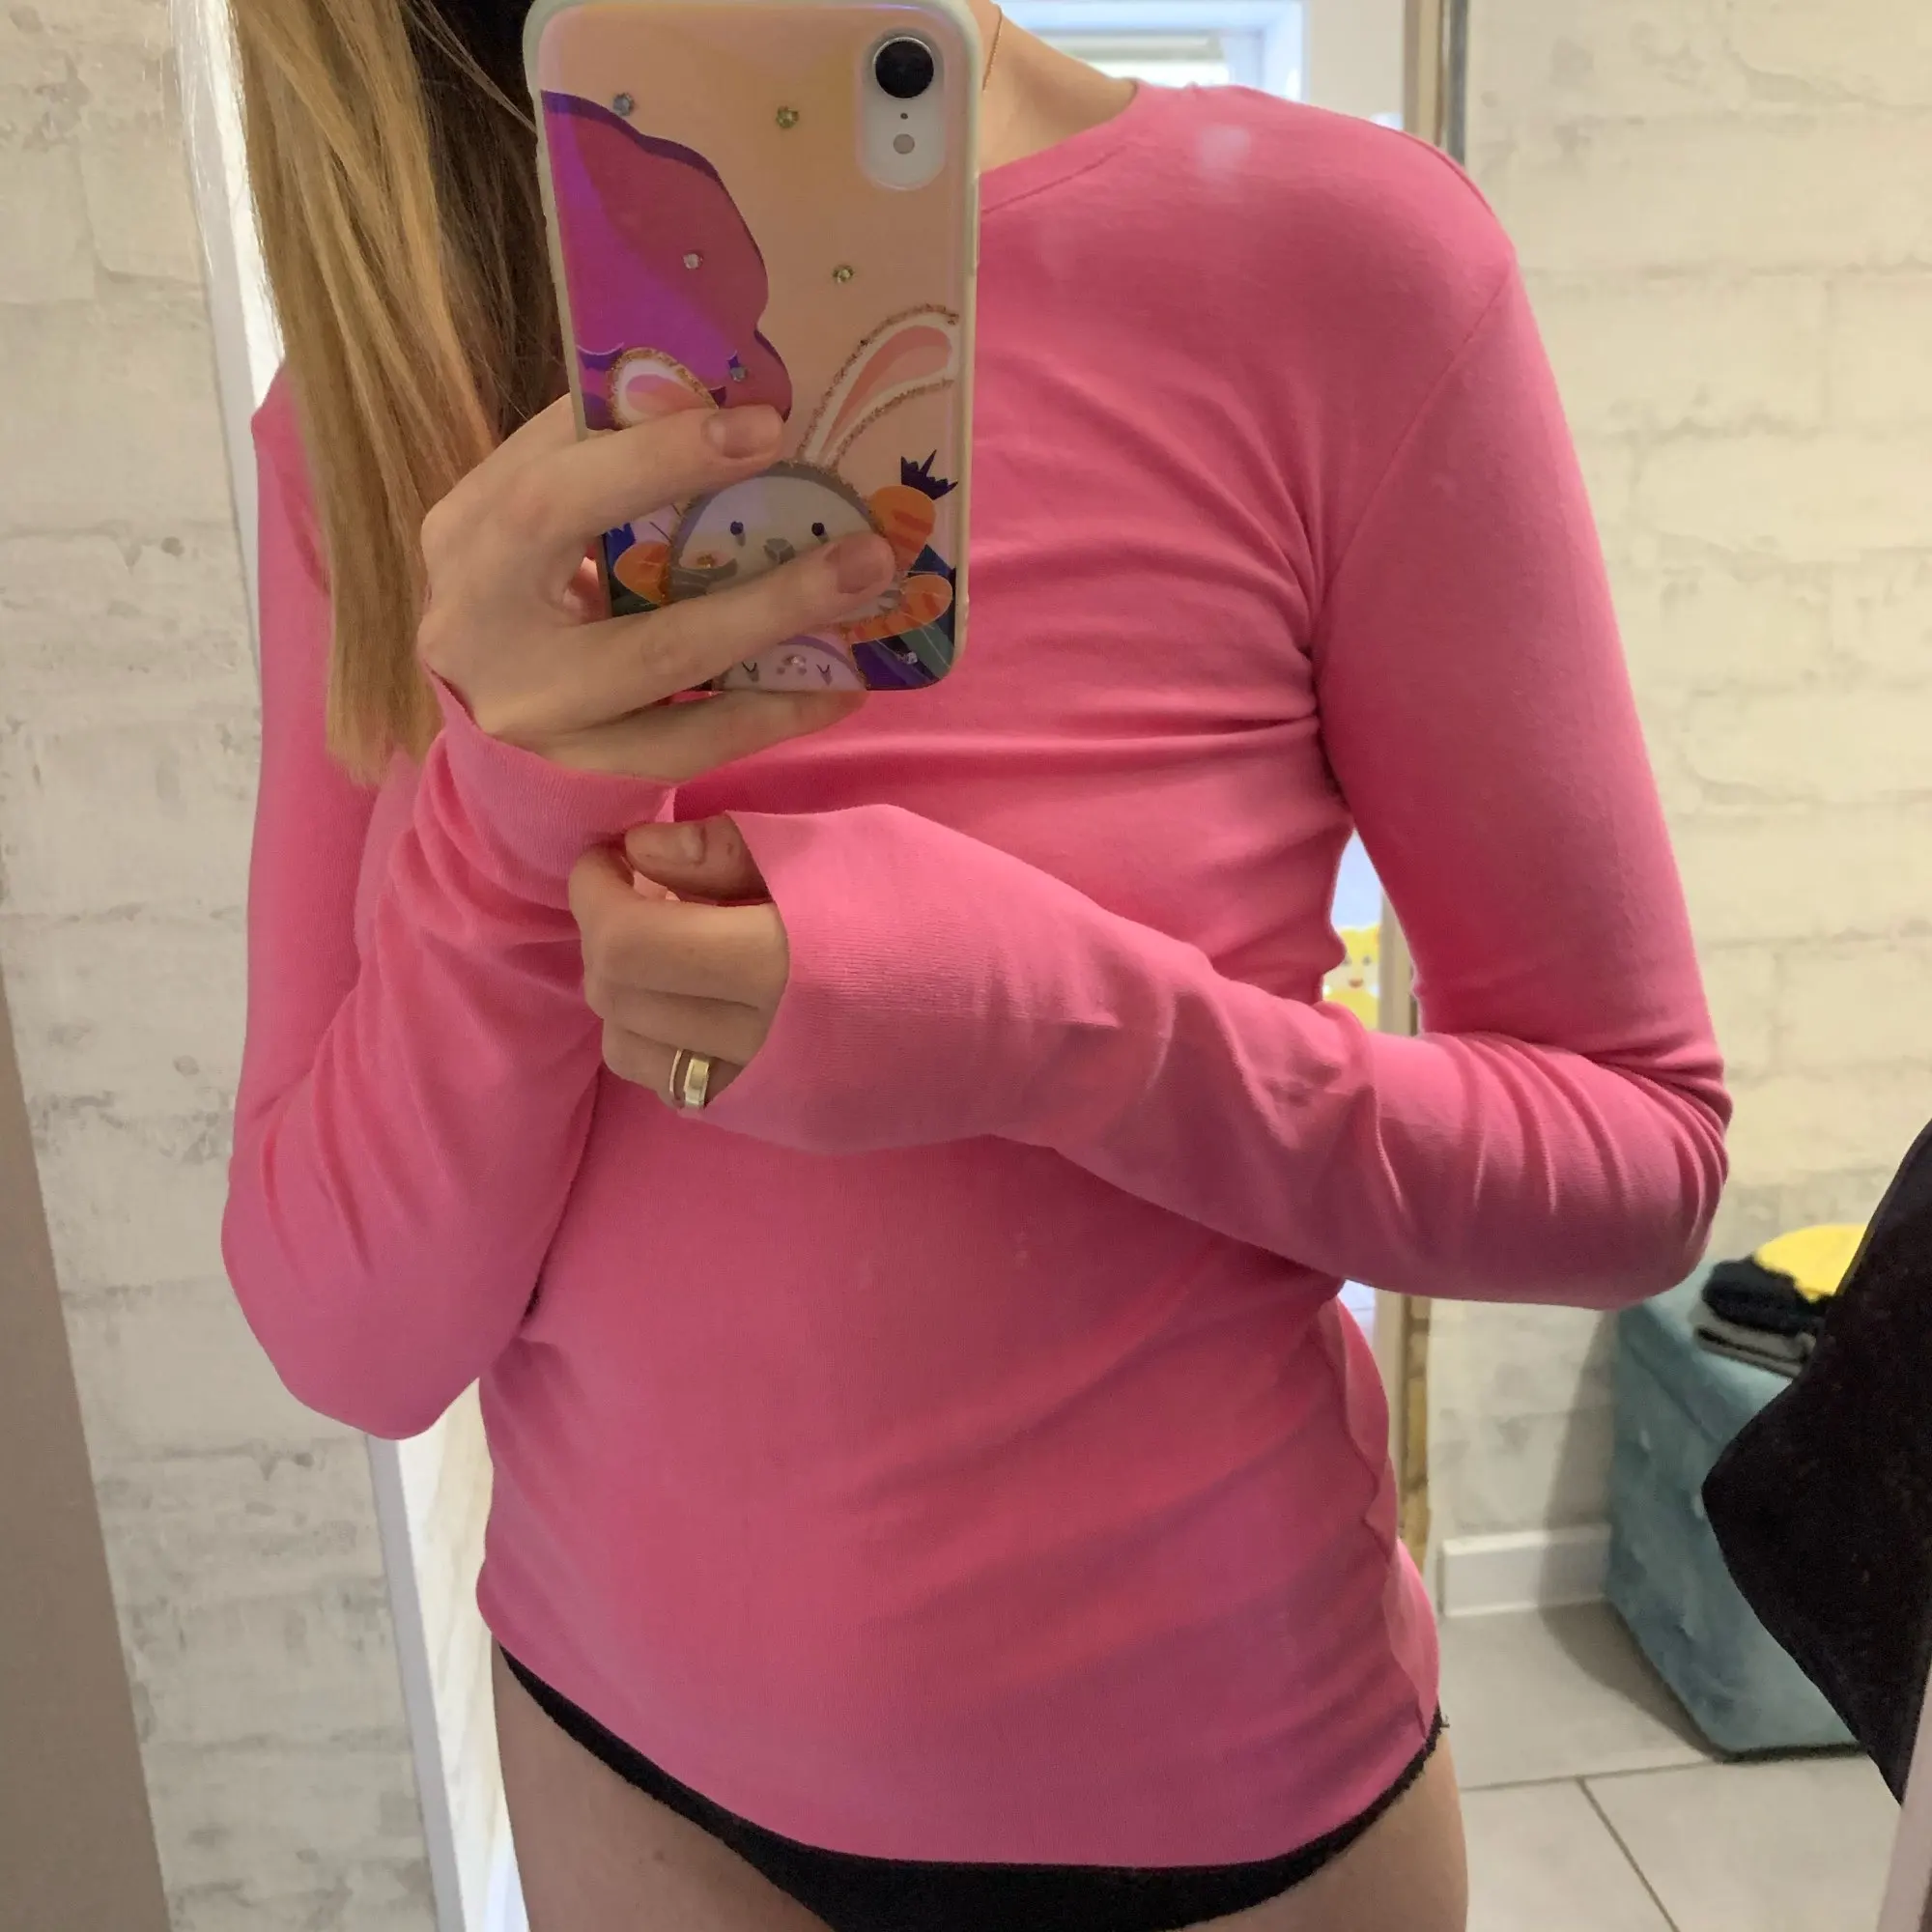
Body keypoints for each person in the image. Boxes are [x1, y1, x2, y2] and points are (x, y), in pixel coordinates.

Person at [221, 2, 1731, 1927]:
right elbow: (352, 1335)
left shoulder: (1336, 270)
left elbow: (1634, 1161)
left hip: (1230, 1805)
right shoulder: (382, 401)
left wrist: (1062, 1031)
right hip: (632, 1782)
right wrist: (511, 799)